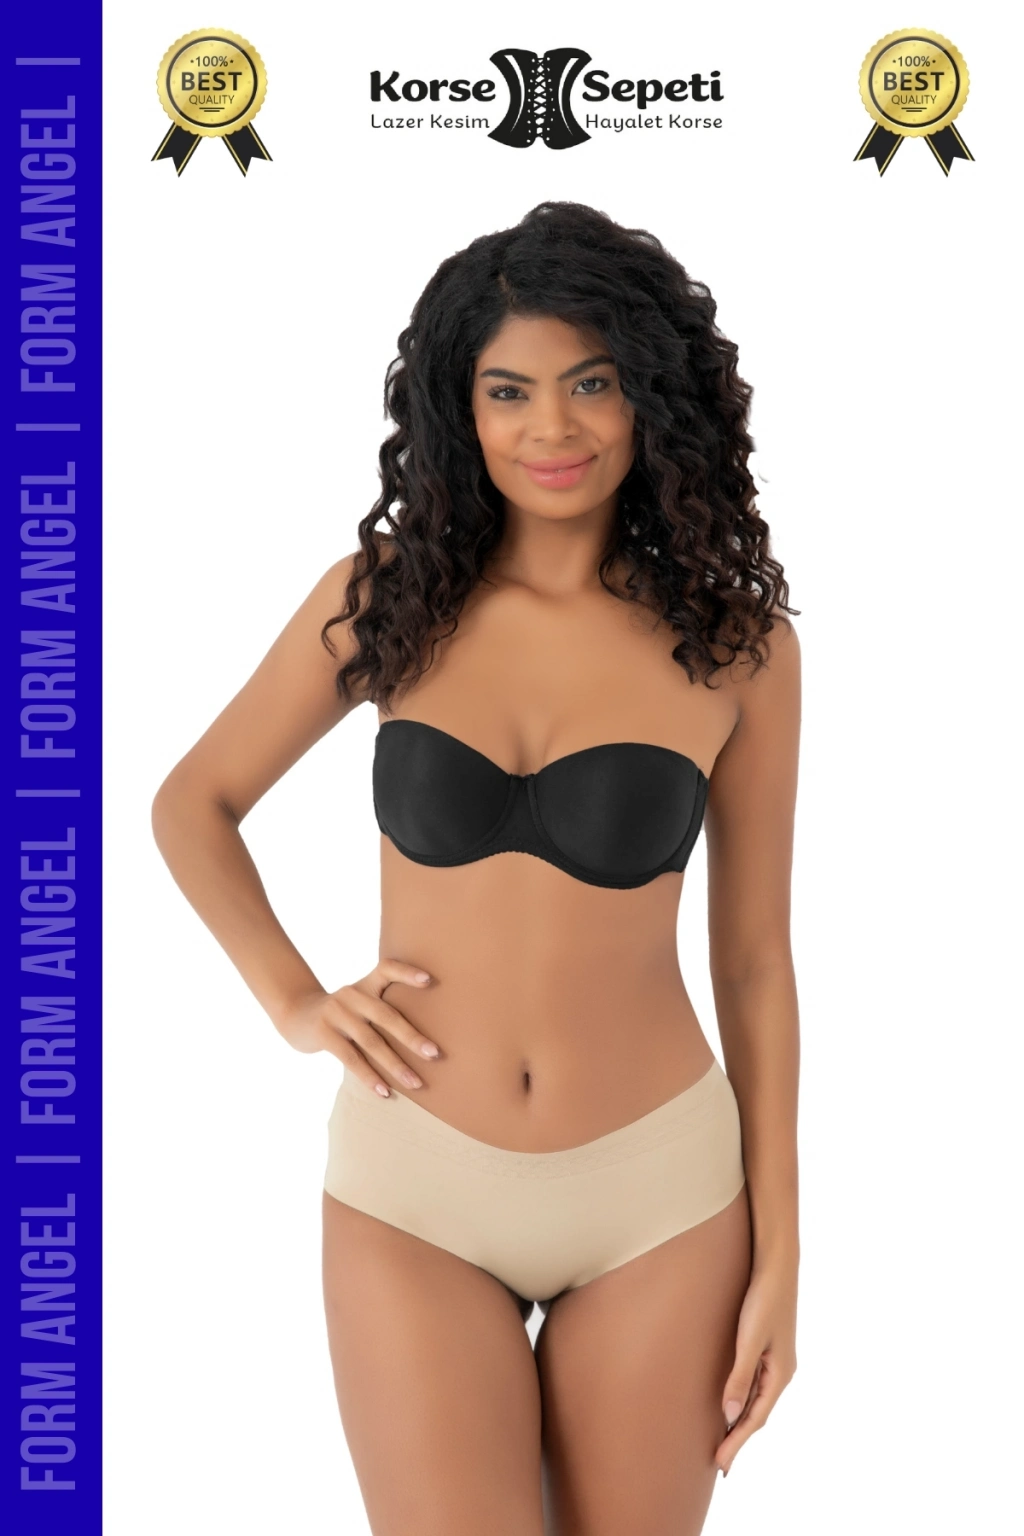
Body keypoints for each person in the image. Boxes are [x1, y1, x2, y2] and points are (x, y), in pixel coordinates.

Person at [152, 201, 801, 1536]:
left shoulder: (737, 644)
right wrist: (294, 1000)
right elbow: (193, 804)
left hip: (663, 1194)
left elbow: (753, 963)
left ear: (652, 397)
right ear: (461, 406)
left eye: (591, 384)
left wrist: (784, 1254)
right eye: (509, 391)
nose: (552, 428)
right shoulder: (387, 598)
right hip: (414, 1187)